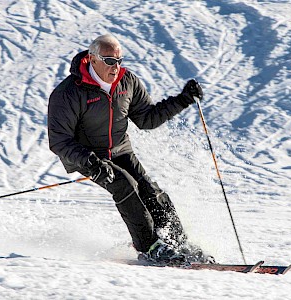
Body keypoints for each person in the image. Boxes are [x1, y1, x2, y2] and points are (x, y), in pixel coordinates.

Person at [48, 34, 210, 264]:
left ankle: (180, 244)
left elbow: (148, 120)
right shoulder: (69, 92)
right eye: (110, 61)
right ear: (92, 60)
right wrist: (92, 163)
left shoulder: (127, 82)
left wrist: (183, 100)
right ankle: (150, 248)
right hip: (89, 157)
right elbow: (59, 140)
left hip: (121, 151)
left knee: (150, 190)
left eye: (120, 60)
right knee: (125, 185)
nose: (116, 67)